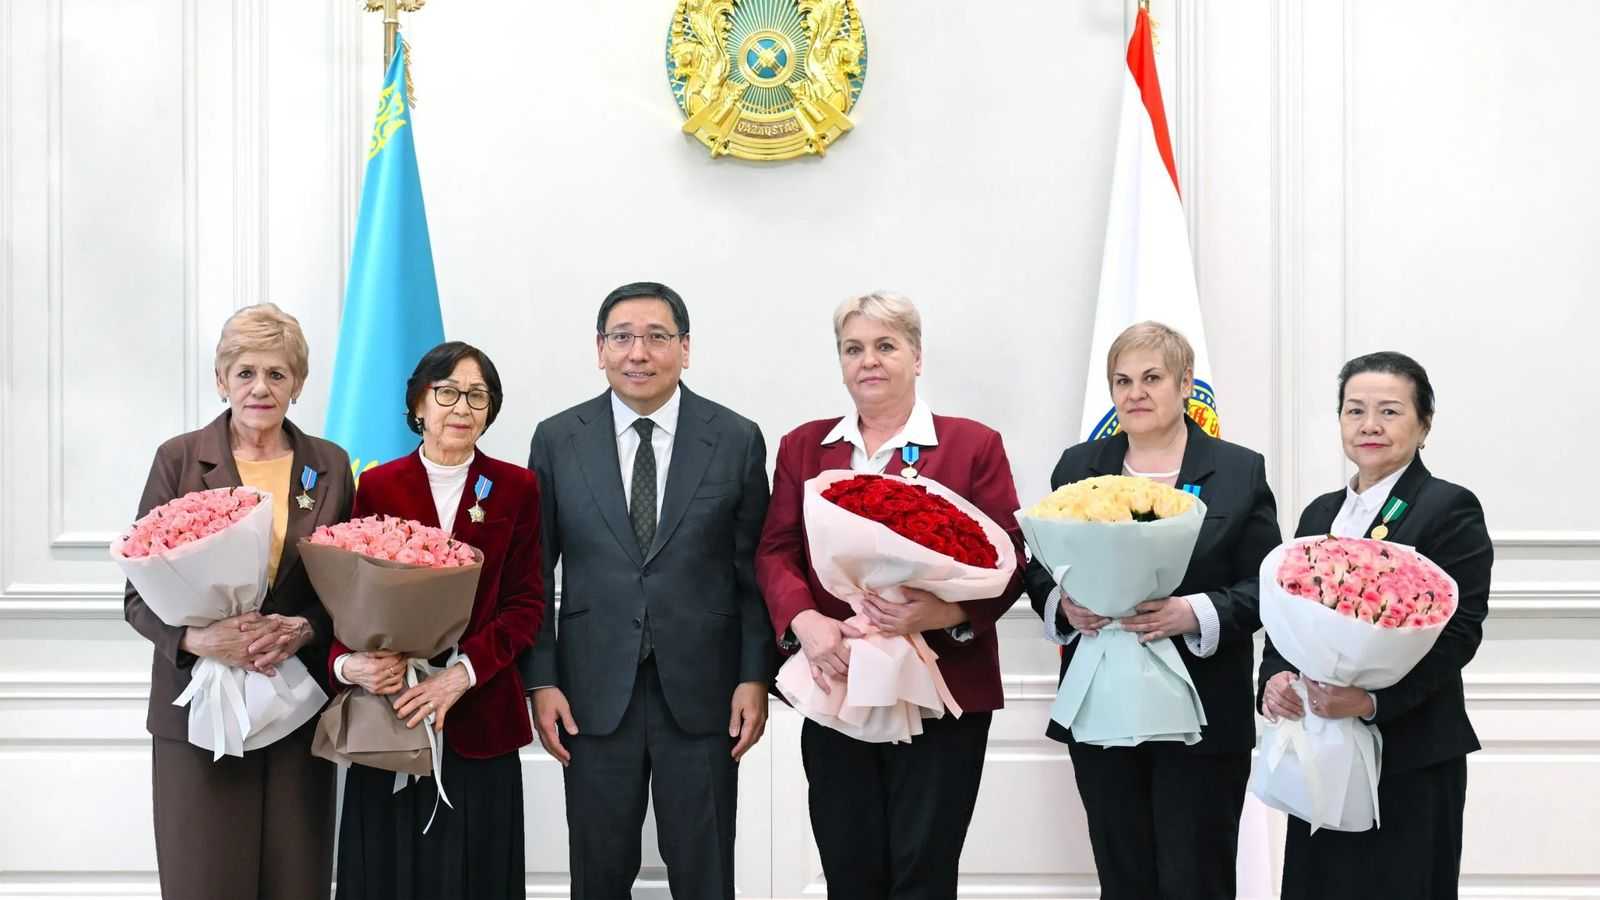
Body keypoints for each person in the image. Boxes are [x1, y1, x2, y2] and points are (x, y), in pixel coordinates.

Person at [756, 291, 1025, 898]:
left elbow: (1010, 555)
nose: (868, 361)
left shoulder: (972, 444)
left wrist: (946, 610)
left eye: (885, 346)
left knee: (924, 874)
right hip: (837, 679)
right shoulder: (804, 446)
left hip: (943, 689)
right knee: (849, 869)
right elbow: (776, 549)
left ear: (917, 356)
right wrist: (804, 620)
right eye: (853, 349)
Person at [520, 281, 774, 899]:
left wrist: (754, 677)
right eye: (622, 337)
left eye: (657, 337)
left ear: (685, 349)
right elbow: (534, 572)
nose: (639, 352)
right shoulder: (557, 438)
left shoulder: (735, 437)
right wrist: (542, 680)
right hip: (591, 694)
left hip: (706, 693)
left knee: (705, 873)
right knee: (598, 875)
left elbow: (754, 574)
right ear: (599, 349)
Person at [1021, 320, 1279, 900]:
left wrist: (1194, 612)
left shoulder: (1239, 470)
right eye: (1122, 381)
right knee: (1123, 877)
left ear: (1186, 383)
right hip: (1102, 705)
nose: (1135, 393)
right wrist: (1064, 605)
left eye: (1152, 378)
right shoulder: (1078, 466)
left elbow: (1264, 586)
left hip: (1204, 713)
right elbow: (1037, 565)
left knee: (1197, 878)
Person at [125, 302, 352, 900]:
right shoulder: (179, 459)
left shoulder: (329, 465)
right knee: (204, 882)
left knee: (295, 883)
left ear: (298, 384)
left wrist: (304, 630)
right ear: (221, 379)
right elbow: (137, 594)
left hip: (297, 711)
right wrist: (199, 640)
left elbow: (348, 589)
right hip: (197, 715)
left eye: (277, 374)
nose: (260, 388)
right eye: (245, 372)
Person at [1259, 351, 1492, 900]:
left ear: (1424, 424)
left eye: (1389, 411)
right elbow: (1287, 613)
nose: (1369, 425)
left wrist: (1370, 703)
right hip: (1320, 749)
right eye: (1355, 410)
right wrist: (1274, 679)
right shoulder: (1319, 513)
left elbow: (1459, 632)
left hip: (1411, 751)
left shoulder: (1448, 507)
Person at [332, 341, 543, 900]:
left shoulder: (517, 488)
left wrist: (461, 675)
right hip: (392, 713)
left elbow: (526, 604)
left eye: (477, 395)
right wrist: (360, 664)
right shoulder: (378, 485)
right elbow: (346, 599)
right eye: (446, 392)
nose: (462, 407)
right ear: (419, 404)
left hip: (480, 714)